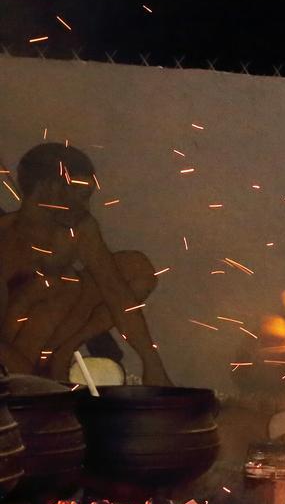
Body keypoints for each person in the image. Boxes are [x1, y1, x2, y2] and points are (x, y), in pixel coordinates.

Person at [0, 143, 170, 385]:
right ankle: (40, 375)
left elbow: (116, 292)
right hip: (15, 350)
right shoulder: (5, 240)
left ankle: (61, 355)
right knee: (59, 287)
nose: (86, 207)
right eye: (81, 197)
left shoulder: (80, 229)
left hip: (53, 339)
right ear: (48, 188)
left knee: (135, 268)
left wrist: (152, 364)